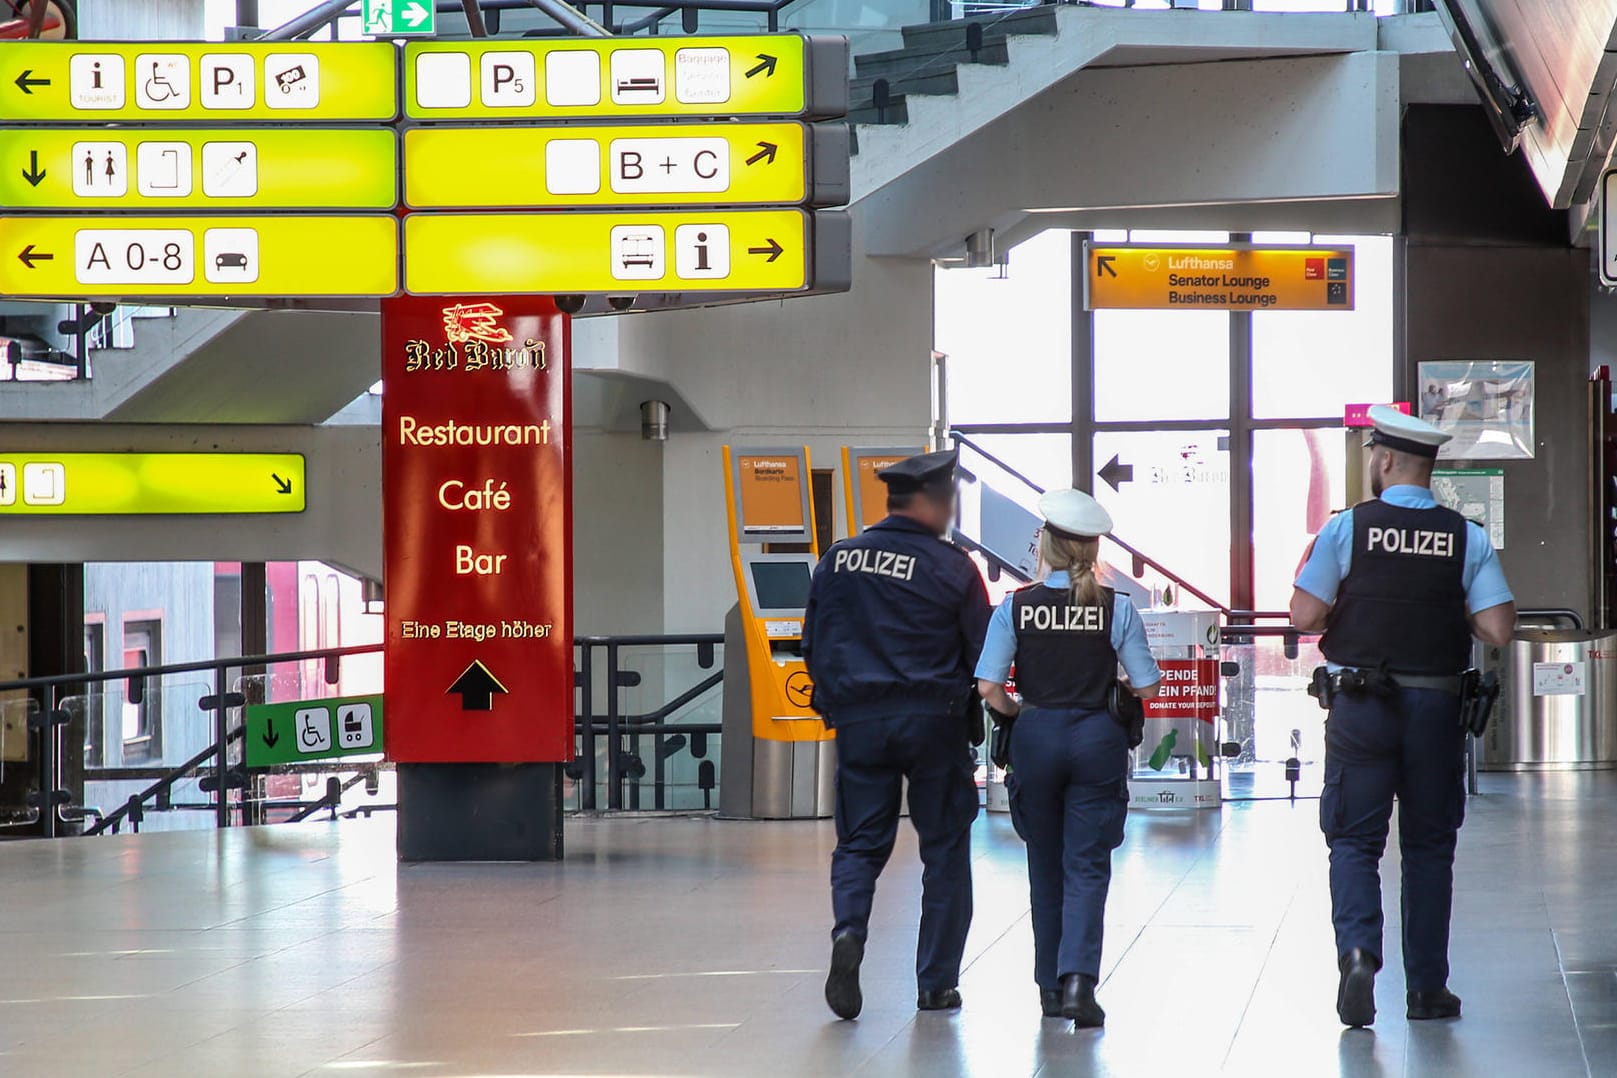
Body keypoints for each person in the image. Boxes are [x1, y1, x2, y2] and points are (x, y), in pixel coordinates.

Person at [1290, 405, 1516, 1029]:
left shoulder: (1346, 530)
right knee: (1428, 847)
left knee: (1355, 842)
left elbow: (1305, 616)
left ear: (1385, 460)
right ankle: (1427, 990)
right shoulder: (1465, 536)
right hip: (1435, 710)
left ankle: (1359, 952)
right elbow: (1497, 626)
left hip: (1361, 707)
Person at [802, 447, 992, 1021]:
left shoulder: (837, 561)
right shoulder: (953, 567)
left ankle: (849, 931)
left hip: (860, 721)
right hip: (933, 723)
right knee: (945, 848)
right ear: (932, 503)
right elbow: (983, 652)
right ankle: (936, 984)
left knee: (859, 843)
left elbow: (812, 644)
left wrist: (841, 702)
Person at [975, 489, 1160, 1027]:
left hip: (1036, 736)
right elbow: (1147, 685)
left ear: (1047, 547)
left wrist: (1018, 714)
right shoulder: (1116, 607)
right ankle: (1080, 981)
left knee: (1044, 865)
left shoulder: (1015, 605)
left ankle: (1049, 991)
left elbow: (988, 686)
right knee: (1086, 865)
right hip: (1098, 740)